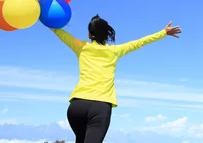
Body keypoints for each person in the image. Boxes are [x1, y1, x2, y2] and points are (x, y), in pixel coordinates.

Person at [51, 14, 182, 143]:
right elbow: (140, 42)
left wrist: (41, 12)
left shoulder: (81, 46)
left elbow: (59, 32)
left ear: (89, 35)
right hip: (100, 107)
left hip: (77, 106)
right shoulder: (114, 51)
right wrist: (163, 32)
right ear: (106, 34)